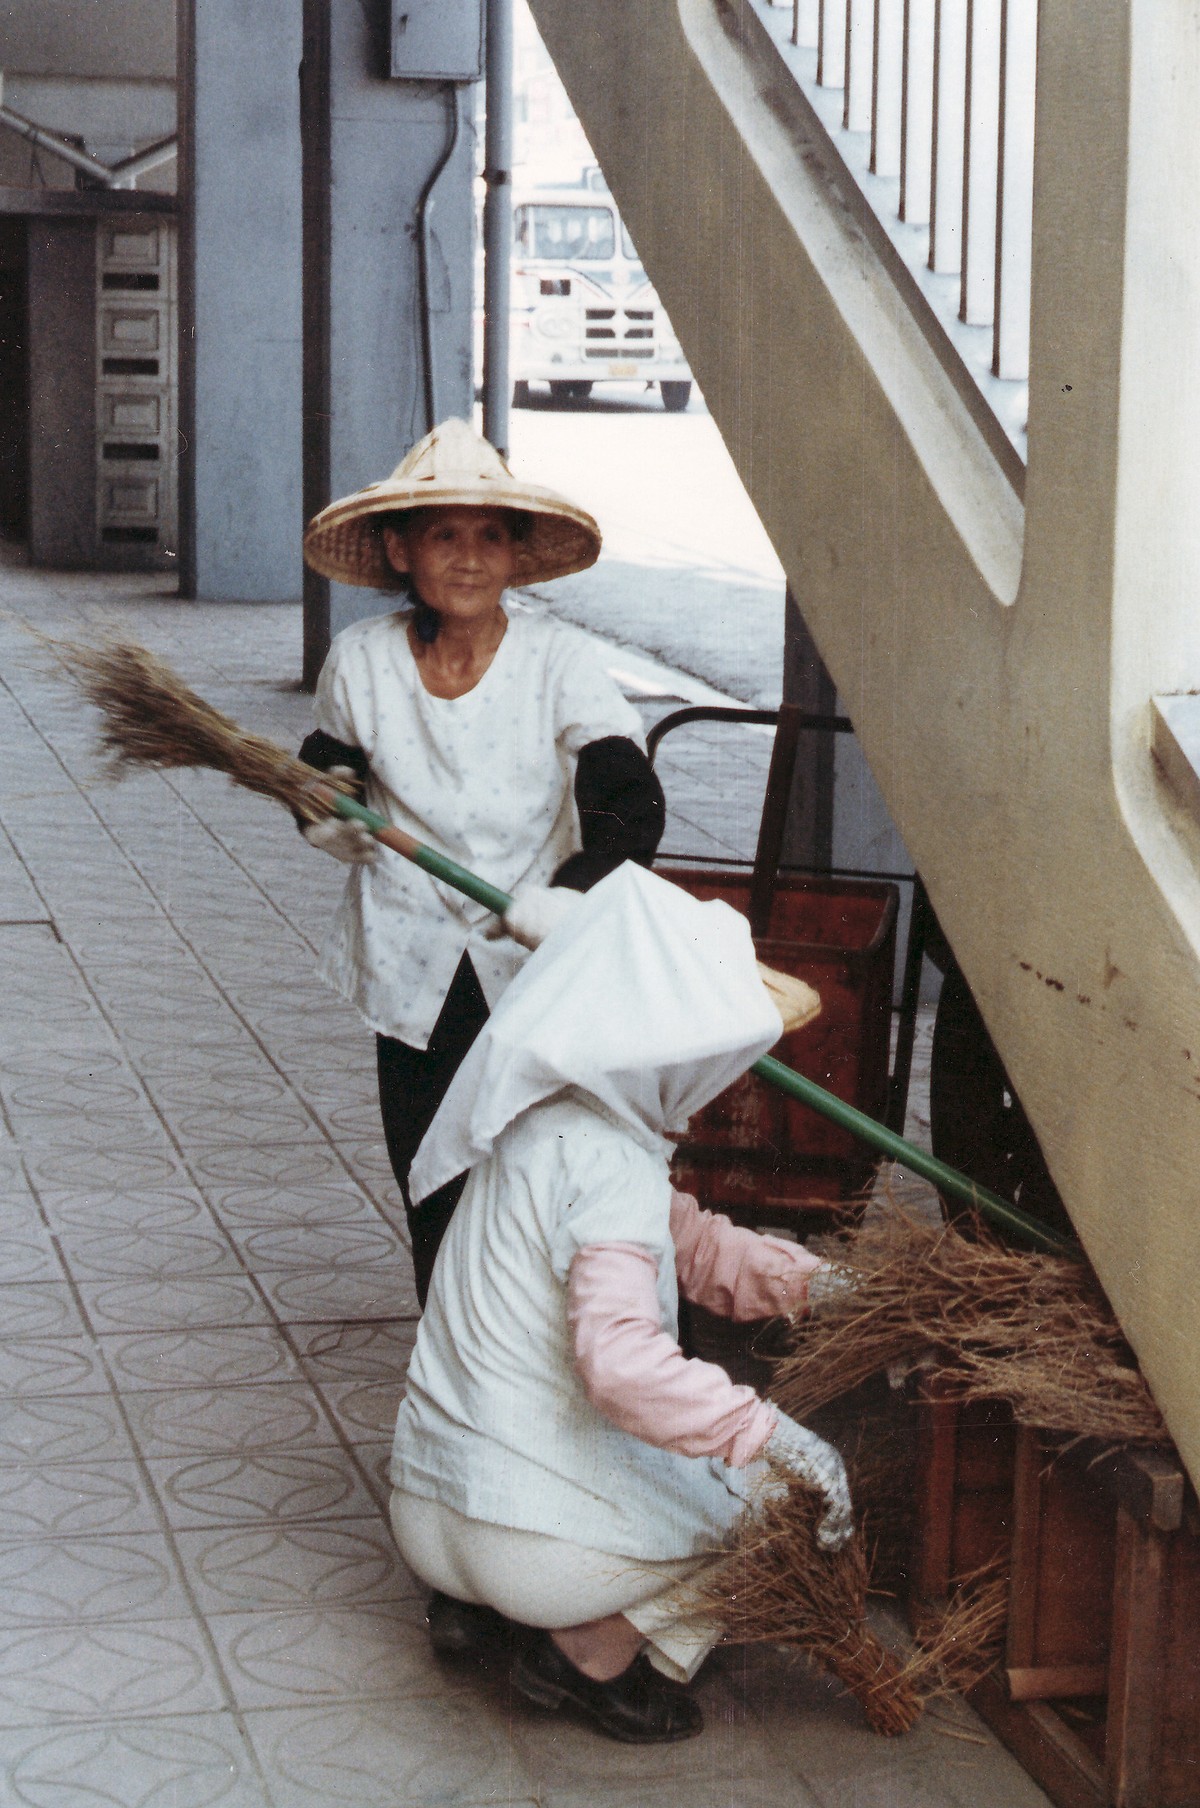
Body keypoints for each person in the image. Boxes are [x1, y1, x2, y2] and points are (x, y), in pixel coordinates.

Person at [390, 863, 853, 1744]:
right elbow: (621, 1366)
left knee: (667, 1467)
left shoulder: (535, 1115)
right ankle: (589, 1654)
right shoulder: (608, 1163)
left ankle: (482, 1613)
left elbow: (696, 1244)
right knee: (781, 1512)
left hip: (428, 1509)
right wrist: (773, 1436)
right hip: (521, 1544)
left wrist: (827, 1288)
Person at [299, 419, 665, 1304]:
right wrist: (323, 807)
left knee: (546, 1179)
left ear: (516, 552)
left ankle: (555, 1369)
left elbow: (630, 797)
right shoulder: (361, 660)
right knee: (434, 1179)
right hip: (412, 964)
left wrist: (570, 895)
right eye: (444, 534)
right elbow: (324, 759)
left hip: (533, 961)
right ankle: (452, 1384)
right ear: (398, 549)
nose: (469, 558)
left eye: (490, 535)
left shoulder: (560, 661)